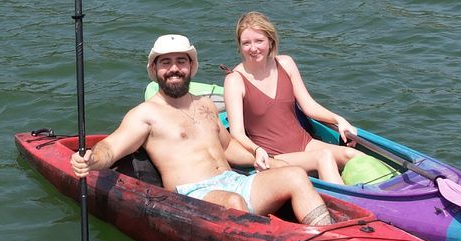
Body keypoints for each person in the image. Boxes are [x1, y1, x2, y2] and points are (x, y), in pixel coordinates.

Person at [73, 34, 335, 227]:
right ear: (154, 70)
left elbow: (228, 146)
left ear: (191, 68)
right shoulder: (145, 115)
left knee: (295, 175)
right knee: (233, 203)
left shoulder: (206, 105)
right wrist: (91, 159)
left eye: (181, 62)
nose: (174, 68)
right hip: (194, 196)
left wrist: (264, 157)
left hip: (236, 182)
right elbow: (112, 146)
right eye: (166, 63)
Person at [222, 13, 363, 185]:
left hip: (306, 143)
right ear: (240, 46)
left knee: (353, 155)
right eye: (246, 43)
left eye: (259, 41)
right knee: (324, 157)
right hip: (275, 155)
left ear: (270, 41)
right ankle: (350, 203)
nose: (253, 48)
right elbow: (237, 133)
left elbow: (309, 106)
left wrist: (339, 120)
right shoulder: (234, 81)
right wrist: (256, 150)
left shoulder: (286, 64)